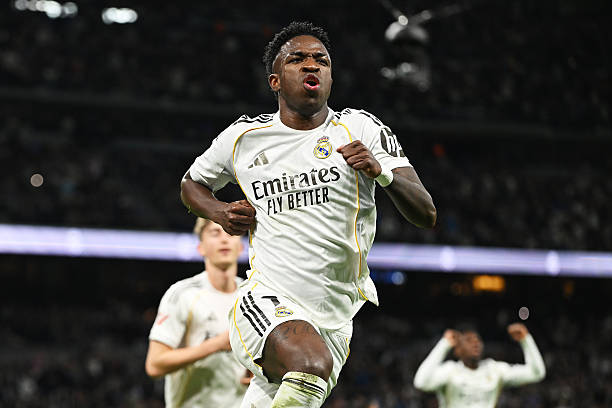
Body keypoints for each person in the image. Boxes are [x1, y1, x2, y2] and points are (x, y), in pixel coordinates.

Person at [180, 21, 437, 408]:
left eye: (322, 60)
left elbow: (426, 212)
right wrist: (219, 211)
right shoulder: (243, 138)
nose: (311, 65)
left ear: (330, 77)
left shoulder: (360, 128)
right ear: (275, 81)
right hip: (267, 300)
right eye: (297, 59)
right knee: (310, 365)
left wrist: (381, 172)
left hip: (335, 321)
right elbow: (191, 184)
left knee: (304, 378)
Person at [145, 218, 250, 407]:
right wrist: (217, 344)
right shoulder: (182, 294)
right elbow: (155, 365)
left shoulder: (252, 297)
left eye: (230, 233)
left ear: (241, 247)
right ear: (201, 248)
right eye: (215, 233)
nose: (224, 239)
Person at [413, 323, 546, 407]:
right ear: (457, 351)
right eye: (469, 340)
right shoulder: (449, 371)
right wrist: (443, 344)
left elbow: (537, 373)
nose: (475, 343)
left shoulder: (495, 369)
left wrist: (526, 340)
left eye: (478, 340)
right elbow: (420, 382)